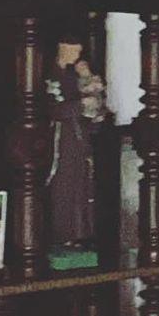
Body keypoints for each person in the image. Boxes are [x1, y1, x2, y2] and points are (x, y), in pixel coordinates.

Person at [45, 40, 107, 250]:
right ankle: (60, 235)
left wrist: (88, 80)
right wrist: (79, 106)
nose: (77, 55)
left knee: (80, 185)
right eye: (74, 50)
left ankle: (79, 234)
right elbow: (50, 108)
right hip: (60, 138)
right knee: (62, 185)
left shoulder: (75, 75)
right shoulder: (50, 76)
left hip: (79, 136)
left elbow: (96, 109)